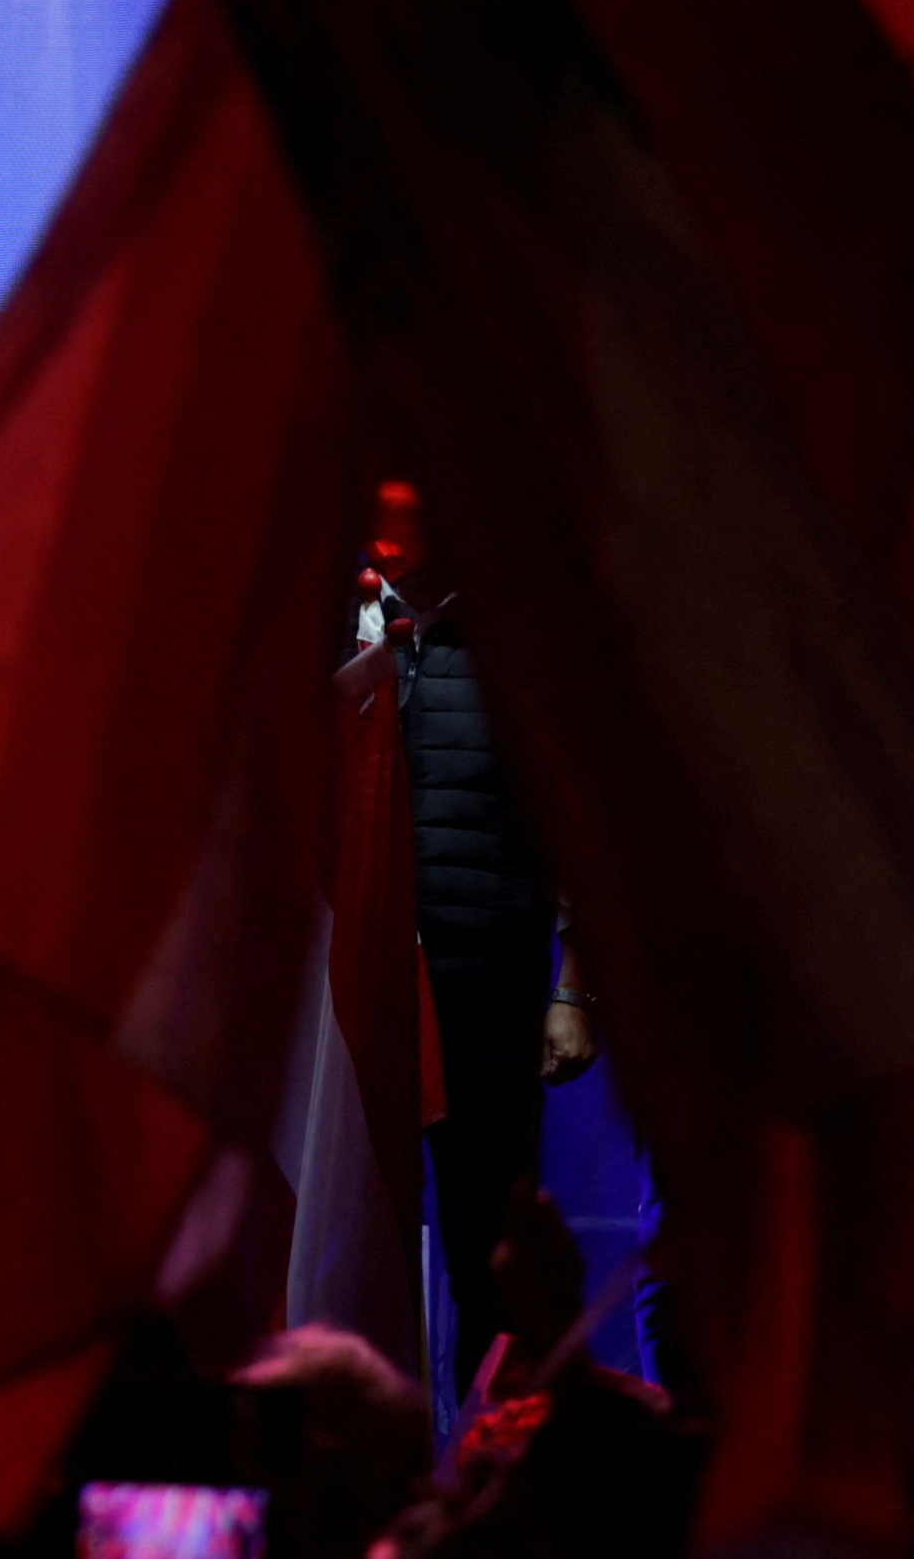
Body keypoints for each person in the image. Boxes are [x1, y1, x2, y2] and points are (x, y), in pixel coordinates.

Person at [375, 486, 597, 1410]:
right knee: (354, 1252)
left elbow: (583, 825)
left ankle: (495, 1469)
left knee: (488, 1259)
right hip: (363, 1004)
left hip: (487, 991)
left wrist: (573, 989)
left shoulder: (527, 641)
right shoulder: (342, 632)